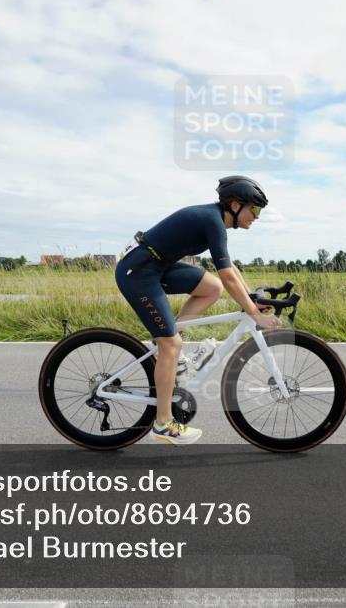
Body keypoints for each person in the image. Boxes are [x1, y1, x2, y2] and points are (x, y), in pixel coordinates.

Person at [115, 176, 281, 445]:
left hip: (157, 266)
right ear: (236, 205)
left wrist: (249, 299)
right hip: (139, 272)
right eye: (255, 209)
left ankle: (169, 348)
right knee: (171, 344)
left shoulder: (215, 220)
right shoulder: (212, 221)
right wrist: (254, 313)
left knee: (211, 288)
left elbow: (229, 270)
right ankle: (163, 424)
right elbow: (229, 276)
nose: (257, 216)